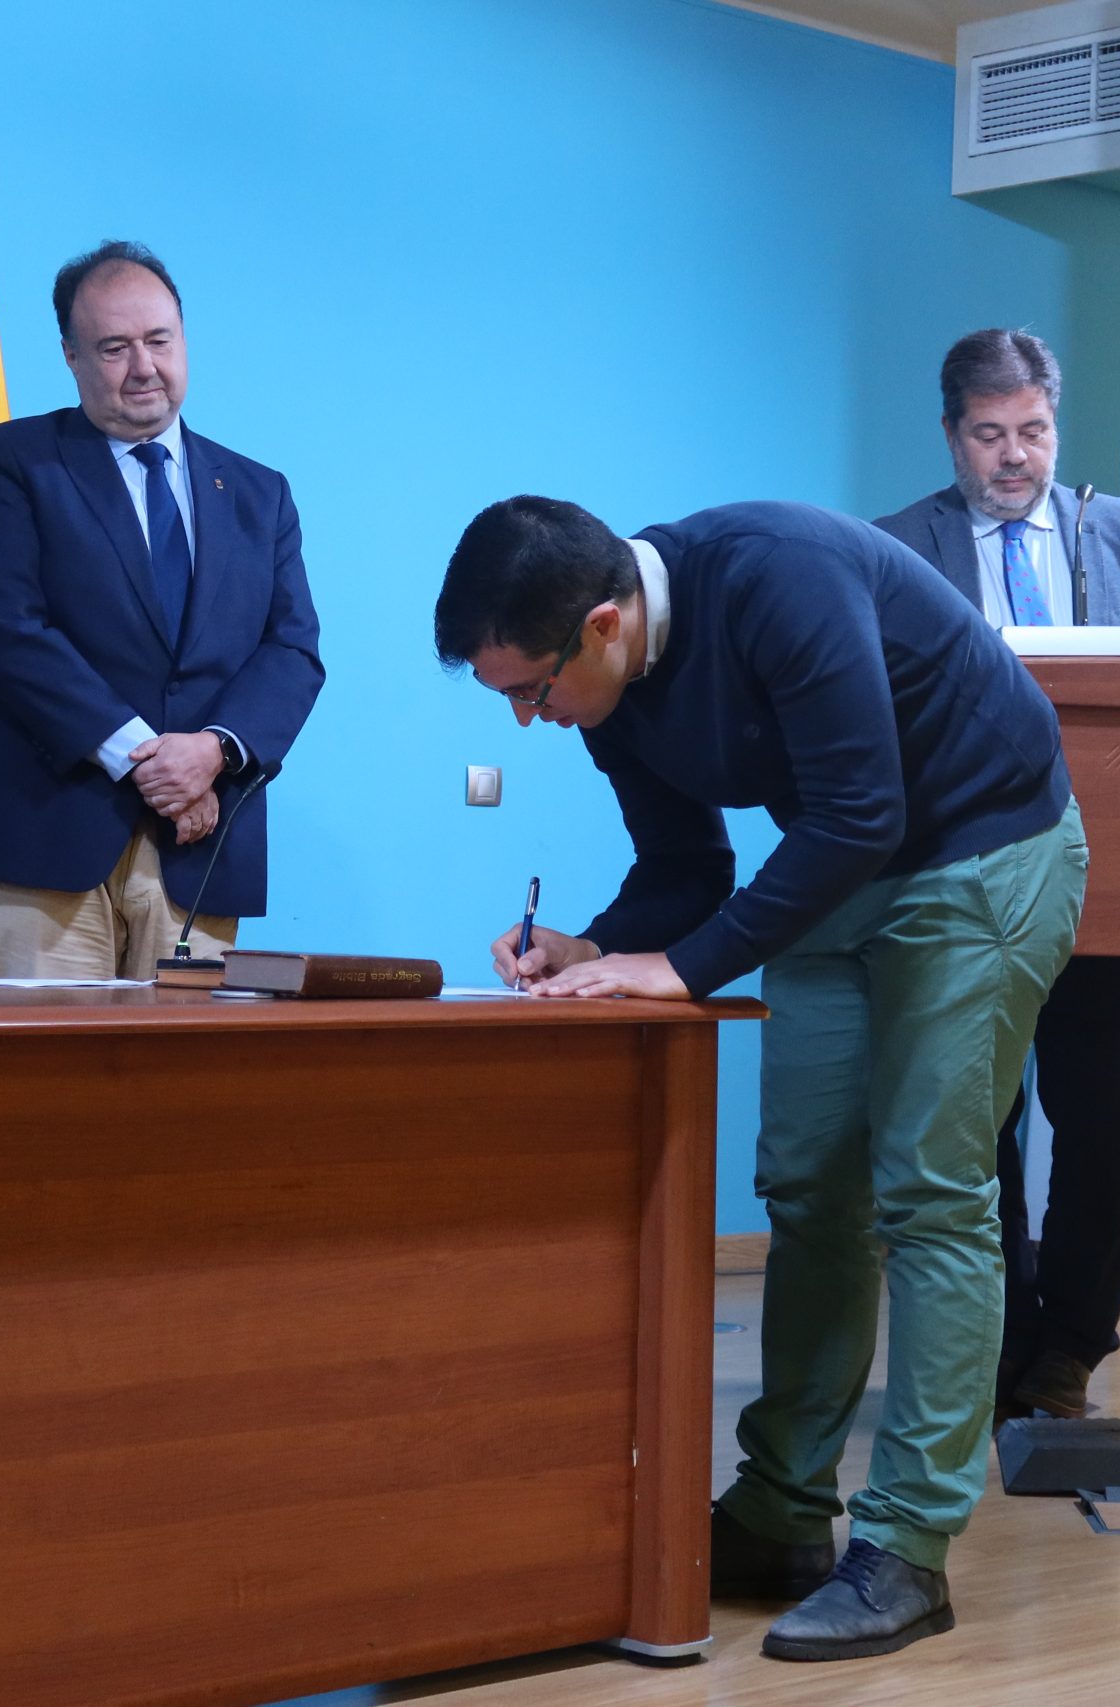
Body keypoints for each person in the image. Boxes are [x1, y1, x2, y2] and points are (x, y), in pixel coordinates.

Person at [435, 496, 1085, 1661]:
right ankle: (781, 1511)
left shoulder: (777, 576)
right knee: (807, 1188)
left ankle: (907, 1546)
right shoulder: (612, 688)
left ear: (602, 625)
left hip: (980, 848)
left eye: (531, 691)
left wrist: (683, 967)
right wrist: (595, 945)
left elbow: (863, 809)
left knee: (929, 1194)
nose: (530, 720)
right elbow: (686, 862)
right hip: (839, 866)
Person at [874, 328, 1120, 1423]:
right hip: (963, 883)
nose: (1014, 456)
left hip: (1108, 885)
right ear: (950, 434)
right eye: (989, 434)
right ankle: (1001, 1341)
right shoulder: (897, 547)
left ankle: (1071, 1347)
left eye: (1034, 431)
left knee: (1105, 1127)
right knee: (980, 1130)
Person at [0, 241, 322, 976]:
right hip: (47, 833)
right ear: (72, 357)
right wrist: (150, 761)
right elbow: (8, 631)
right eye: (115, 348)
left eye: (159, 341)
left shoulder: (260, 493)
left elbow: (292, 650)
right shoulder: (14, 462)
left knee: (185, 1053)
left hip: (201, 845)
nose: (143, 366)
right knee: (55, 1052)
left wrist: (212, 751)